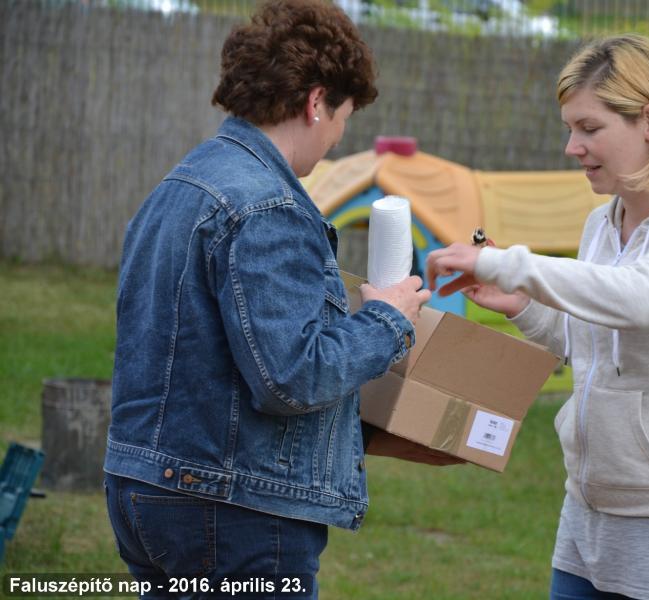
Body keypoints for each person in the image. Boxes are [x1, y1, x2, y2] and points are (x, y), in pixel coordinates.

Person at [104, 1, 457, 597]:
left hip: (145, 488)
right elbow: (292, 377)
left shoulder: (179, 185)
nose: (338, 138)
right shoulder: (269, 207)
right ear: (317, 101)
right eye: (344, 117)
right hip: (230, 511)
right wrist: (387, 319)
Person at [428, 34, 649, 600]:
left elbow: (639, 299)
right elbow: (591, 336)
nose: (571, 147)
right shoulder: (602, 224)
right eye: (570, 129)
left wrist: (504, 263)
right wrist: (525, 306)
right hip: (588, 513)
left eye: (589, 128)